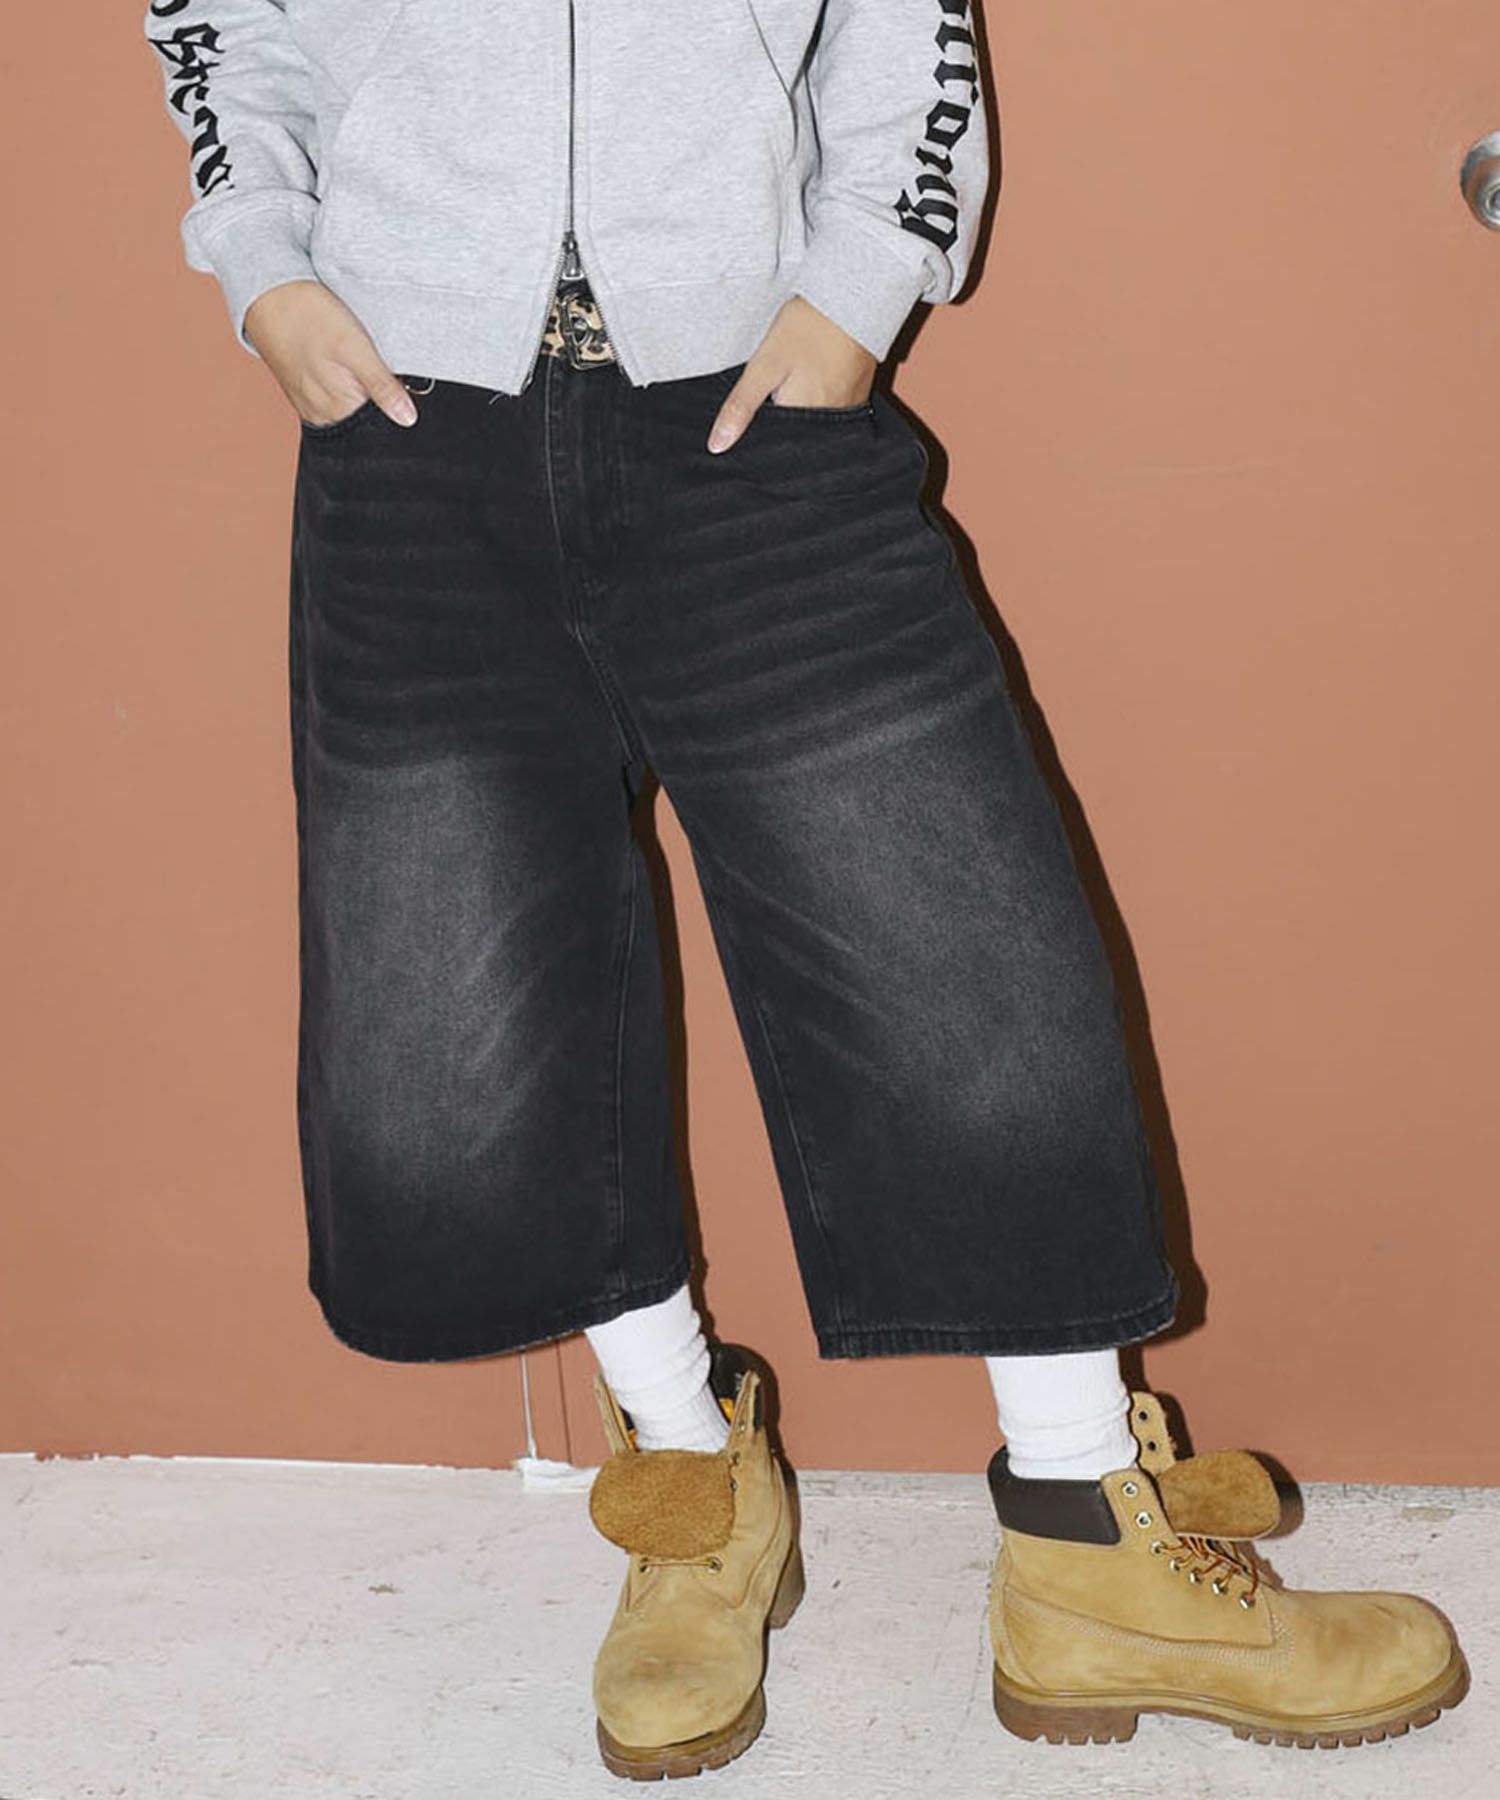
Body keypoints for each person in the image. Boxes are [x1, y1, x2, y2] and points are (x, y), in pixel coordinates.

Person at [143, 0, 1468, 1778]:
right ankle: (691, 1484)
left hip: (753, 400)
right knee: (462, 996)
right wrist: (263, 268)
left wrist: (860, 286)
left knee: (955, 951)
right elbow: (222, 20)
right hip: (405, 419)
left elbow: (907, 23)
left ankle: (1088, 1534)